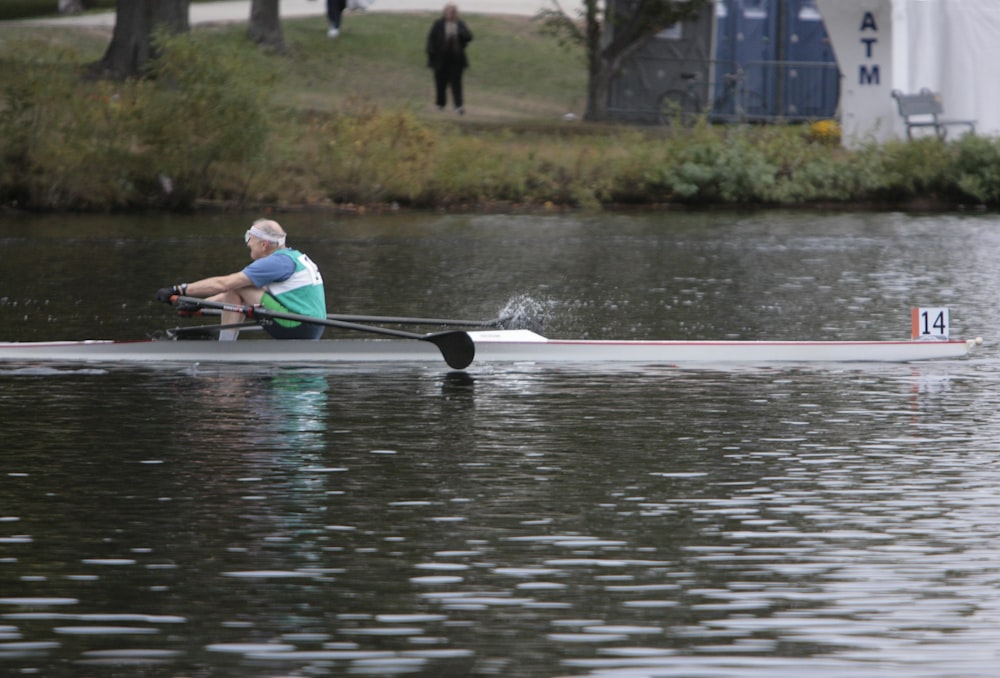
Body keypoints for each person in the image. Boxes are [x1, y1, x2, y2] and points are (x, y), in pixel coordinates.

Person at [155, 219, 327, 341]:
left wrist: (179, 290)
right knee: (241, 287)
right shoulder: (291, 258)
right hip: (311, 327)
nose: (247, 244)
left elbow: (225, 284)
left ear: (264, 244)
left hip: (297, 327)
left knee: (237, 285)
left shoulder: (275, 262)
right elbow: (240, 295)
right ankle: (227, 344)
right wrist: (200, 304)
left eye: (249, 238)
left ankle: (225, 347)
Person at [426, 4, 473, 115]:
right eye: (450, 12)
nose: (452, 14)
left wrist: (461, 31)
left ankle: (458, 107)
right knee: (440, 83)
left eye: (454, 12)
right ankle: (440, 105)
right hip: (441, 59)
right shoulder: (438, 24)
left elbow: (469, 37)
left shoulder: (460, 24)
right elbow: (431, 39)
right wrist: (431, 52)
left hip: (456, 60)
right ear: (445, 12)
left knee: (456, 84)